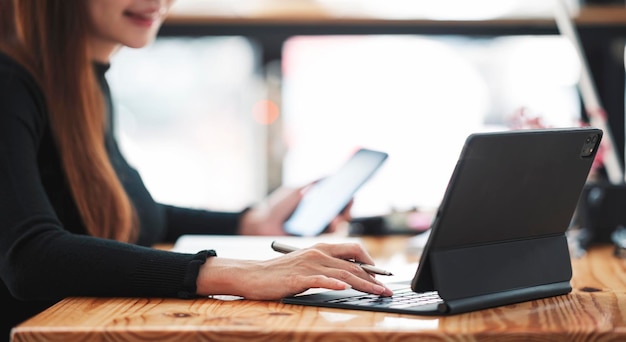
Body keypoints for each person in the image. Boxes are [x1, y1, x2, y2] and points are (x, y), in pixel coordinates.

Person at [0, 0, 393, 340]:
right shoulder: (10, 83)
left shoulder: (80, 82)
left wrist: (251, 223)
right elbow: (29, 256)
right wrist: (241, 273)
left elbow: (138, 216)